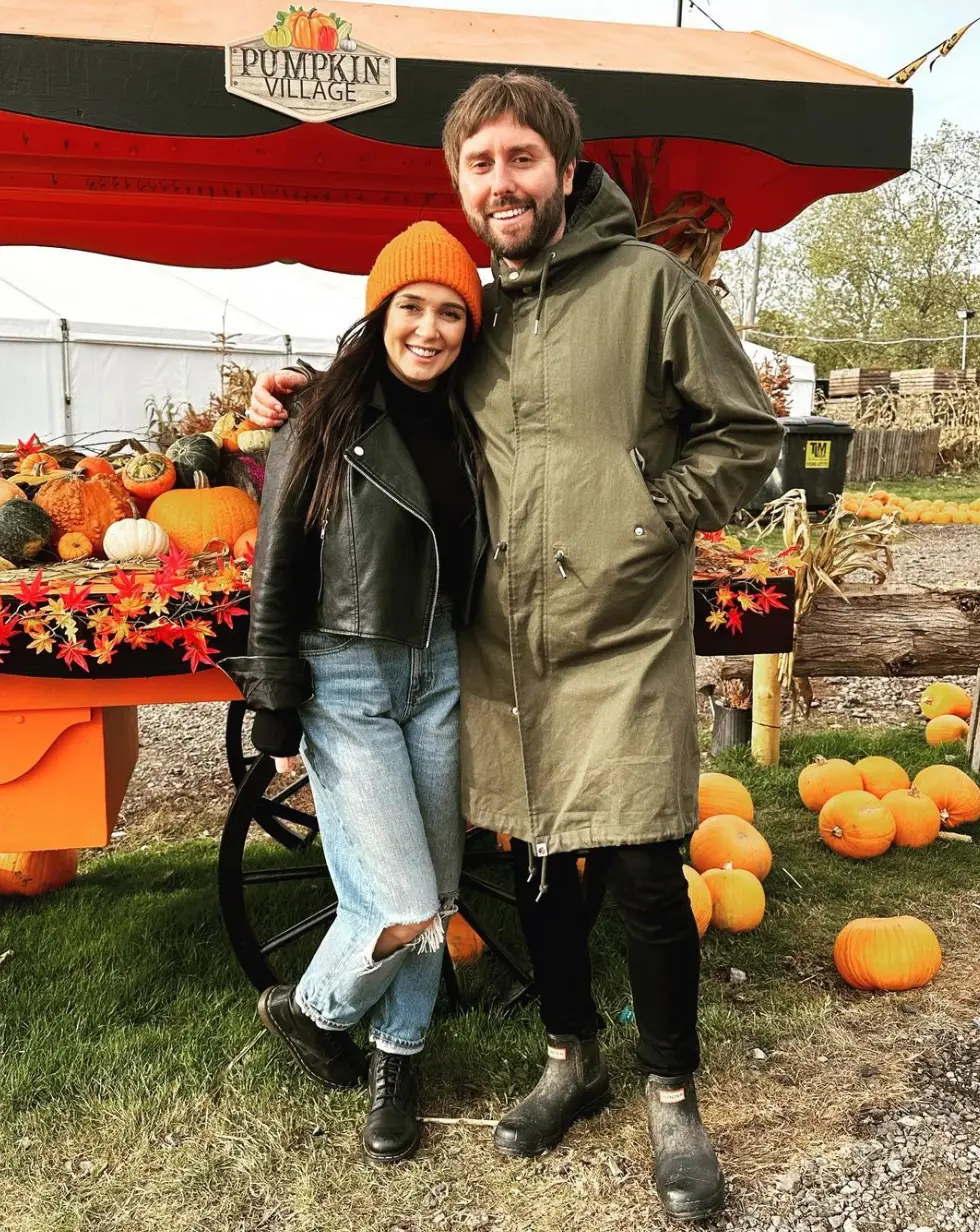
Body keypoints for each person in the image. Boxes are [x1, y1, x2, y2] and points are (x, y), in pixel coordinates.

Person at [248, 73, 782, 1220]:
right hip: (500, 644)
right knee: (538, 861)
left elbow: (744, 434)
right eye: (479, 163)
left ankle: (671, 1098)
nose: (501, 181)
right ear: (459, 182)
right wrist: (301, 394)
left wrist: (648, 517)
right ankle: (567, 1057)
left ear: (563, 170)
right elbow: (404, 390)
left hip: (621, 631)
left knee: (643, 870)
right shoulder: (480, 313)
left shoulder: (651, 287)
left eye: (520, 159)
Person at [221, 221, 487, 1166]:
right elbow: (278, 562)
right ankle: (313, 1010)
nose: (429, 329)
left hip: (441, 667)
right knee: (401, 903)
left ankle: (397, 1061)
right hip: (346, 673)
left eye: (451, 312)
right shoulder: (323, 417)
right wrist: (276, 693)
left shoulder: (475, 415)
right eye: (412, 306)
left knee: (439, 896)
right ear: (380, 312)